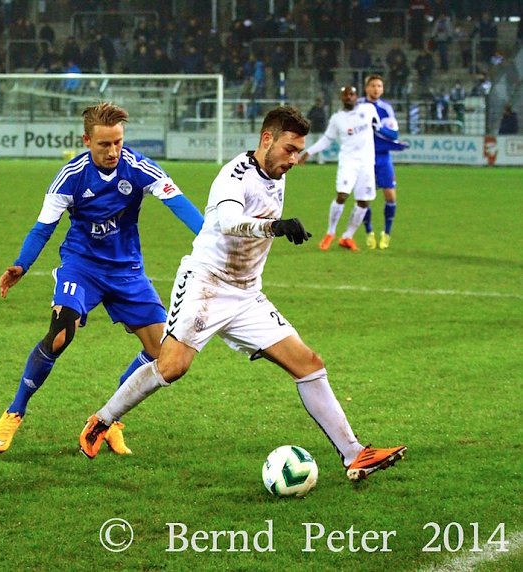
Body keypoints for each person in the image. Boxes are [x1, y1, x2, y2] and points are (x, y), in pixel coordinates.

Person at [78, 106, 407, 483]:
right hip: (206, 283)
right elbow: (230, 221)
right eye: (289, 149)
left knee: (308, 363)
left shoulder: (276, 170)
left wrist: (273, 224)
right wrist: (275, 226)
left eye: (299, 151)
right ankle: (101, 421)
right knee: (172, 367)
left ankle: (355, 455)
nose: (294, 159)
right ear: (266, 139)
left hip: (247, 294)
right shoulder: (234, 176)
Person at [0, 102, 204, 454]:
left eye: (118, 142)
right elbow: (43, 228)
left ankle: (109, 421)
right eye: (104, 144)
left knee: (160, 354)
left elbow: (178, 203)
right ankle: (15, 411)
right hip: (82, 266)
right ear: (87, 140)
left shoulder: (137, 167)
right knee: (60, 336)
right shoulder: (71, 176)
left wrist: (207, 239)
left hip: (126, 270)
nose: (113, 151)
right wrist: (21, 265)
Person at [301, 85, 380, 252]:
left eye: (351, 94)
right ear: (341, 98)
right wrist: (309, 152)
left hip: (366, 163)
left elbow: (378, 128)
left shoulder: (369, 109)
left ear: (356, 96)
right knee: (342, 195)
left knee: (364, 202)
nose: (349, 97)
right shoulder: (337, 119)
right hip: (348, 162)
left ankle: (347, 236)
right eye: (345, 95)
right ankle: (330, 233)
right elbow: (327, 139)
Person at [360, 75, 409, 250]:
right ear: (366, 88)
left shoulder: (386, 109)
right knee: (365, 198)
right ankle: (369, 233)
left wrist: (378, 127)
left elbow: (394, 134)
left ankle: (386, 233)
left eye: (379, 86)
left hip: (383, 157)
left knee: (390, 195)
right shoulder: (358, 107)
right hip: (365, 158)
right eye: (373, 85)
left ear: (382, 89)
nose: (376, 89)